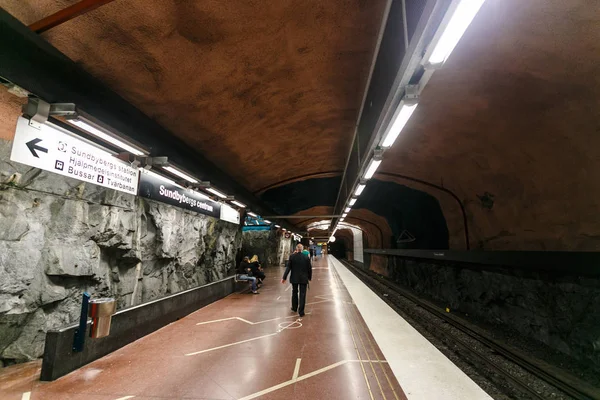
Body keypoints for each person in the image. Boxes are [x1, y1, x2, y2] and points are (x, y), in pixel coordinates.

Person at [281, 244, 312, 317]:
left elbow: (288, 268)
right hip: (304, 278)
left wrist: (284, 277)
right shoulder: (306, 257)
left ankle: (294, 308)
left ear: (296, 249)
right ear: (302, 249)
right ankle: (301, 312)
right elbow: (309, 268)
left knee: (294, 292)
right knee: (302, 294)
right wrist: (309, 277)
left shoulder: (292, 257)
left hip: (294, 278)